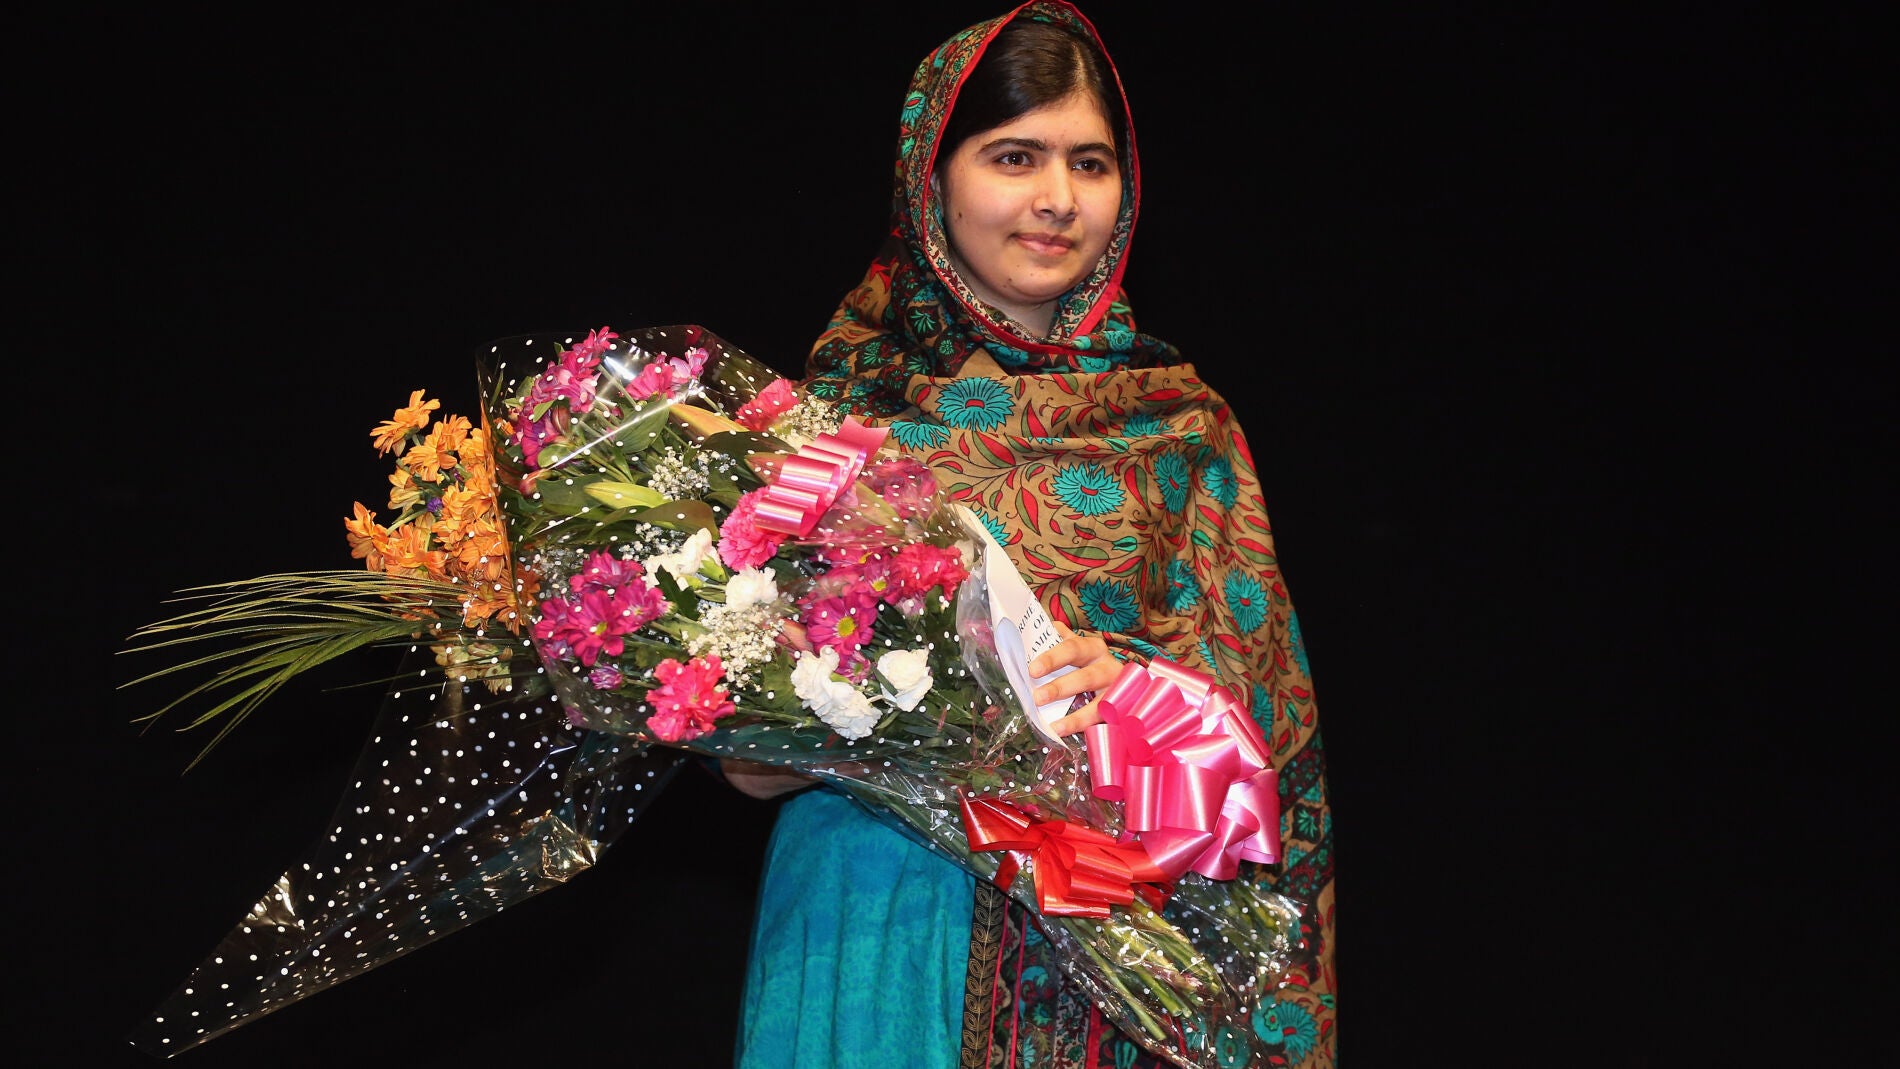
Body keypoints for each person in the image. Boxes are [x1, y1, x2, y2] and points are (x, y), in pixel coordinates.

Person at [722, 3, 1336, 1066]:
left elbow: (1265, 716)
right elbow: (745, 765)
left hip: (1116, 932)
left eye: (1089, 164)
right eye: (1015, 156)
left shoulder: (1178, 426)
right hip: (875, 924)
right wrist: (844, 717)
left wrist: (1144, 696)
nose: (1057, 201)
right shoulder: (831, 421)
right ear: (933, 178)